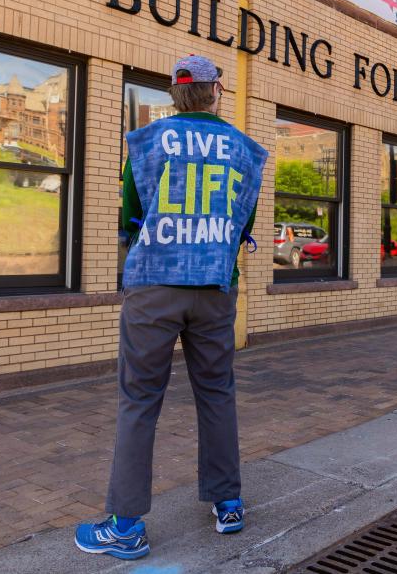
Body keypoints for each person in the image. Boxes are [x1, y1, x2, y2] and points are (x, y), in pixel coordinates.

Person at [74, 55, 267, 561]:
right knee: (217, 393)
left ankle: (126, 524)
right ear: (216, 91)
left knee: (139, 400)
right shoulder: (246, 149)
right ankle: (228, 504)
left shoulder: (146, 142)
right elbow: (243, 220)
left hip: (155, 283)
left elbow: (130, 216)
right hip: (216, 286)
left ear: (174, 93)